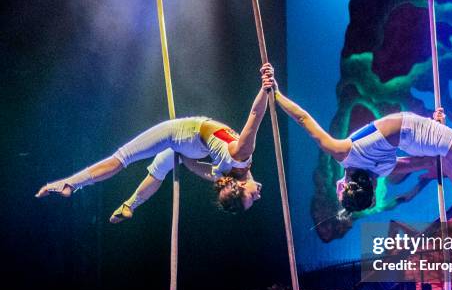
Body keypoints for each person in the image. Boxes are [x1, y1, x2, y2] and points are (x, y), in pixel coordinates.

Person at [270, 73, 452, 226]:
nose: (337, 190)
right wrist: (277, 94)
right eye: (340, 193)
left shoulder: (378, 172)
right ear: (345, 185)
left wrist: (435, 137)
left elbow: (417, 162)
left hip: (416, 136)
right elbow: (303, 118)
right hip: (414, 131)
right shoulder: (342, 153)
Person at [36, 64, 276, 219]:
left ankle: (71, 184)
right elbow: (193, 165)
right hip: (189, 147)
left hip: (182, 134)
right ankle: (130, 203)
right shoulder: (222, 174)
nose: (258, 195)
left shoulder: (241, 156)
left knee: (122, 158)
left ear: (241, 187)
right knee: (160, 168)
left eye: (252, 198)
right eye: (253, 199)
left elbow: (255, 117)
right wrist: (266, 86)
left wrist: (264, 87)